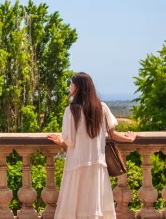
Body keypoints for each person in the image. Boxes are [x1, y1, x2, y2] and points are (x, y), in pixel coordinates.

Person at [47, 72, 137, 219]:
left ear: (78, 87)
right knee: (95, 204)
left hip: (76, 164)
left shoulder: (71, 110)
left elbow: (70, 141)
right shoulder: (101, 108)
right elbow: (113, 135)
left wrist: (60, 140)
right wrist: (130, 139)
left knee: (75, 205)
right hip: (96, 164)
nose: (70, 87)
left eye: (72, 84)